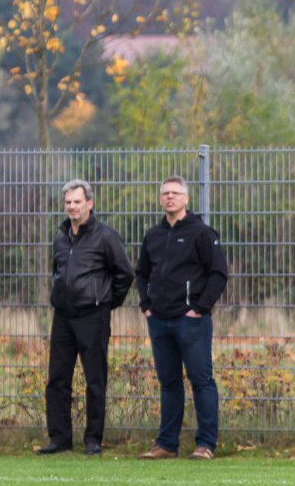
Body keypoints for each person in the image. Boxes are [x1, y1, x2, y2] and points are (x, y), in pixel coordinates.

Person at [36, 179, 134, 456]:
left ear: (89, 203)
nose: (72, 207)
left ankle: (93, 439)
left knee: (95, 380)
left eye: (77, 201)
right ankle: (59, 439)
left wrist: (104, 302)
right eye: (68, 202)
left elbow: (124, 274)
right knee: (57, 379)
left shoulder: (105, 236)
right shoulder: (59, 236)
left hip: (93, 316)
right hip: (63, 317)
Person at [135, 176, 228, 460]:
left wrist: (199, 307)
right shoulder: (153, 235)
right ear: (160, 198)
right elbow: (141, 273)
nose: (170, 198)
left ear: (186, 198)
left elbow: (218, 273)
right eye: (165, 193)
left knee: (201, 380)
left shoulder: (201, 233)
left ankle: (205, 444)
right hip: (159, 320)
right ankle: (166, 445)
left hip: (191, 321)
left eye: (175, 193)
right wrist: (146, 305)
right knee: (169, 382)